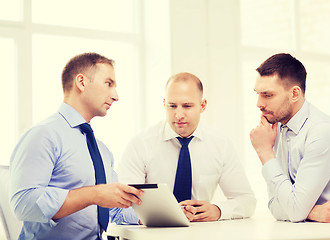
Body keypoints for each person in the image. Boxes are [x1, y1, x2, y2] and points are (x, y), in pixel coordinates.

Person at [9, 52, 144, 240]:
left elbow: (117, 211)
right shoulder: (43, 135)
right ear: (81, 82)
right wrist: (93, 194)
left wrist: (170, 214)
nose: (116, 96)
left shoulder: (102, 151)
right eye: (108, 83)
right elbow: (23, 204)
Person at [117, 72, 256, 223]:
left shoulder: (221, 145)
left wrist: (218, 210)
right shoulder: (141, 144)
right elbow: (119, 208)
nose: (178, 115)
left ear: (203, 106)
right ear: (164, 104)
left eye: (187, 106)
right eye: (172, 106)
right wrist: (162, 217)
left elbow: (246, 200)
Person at [250, 53, 330, 224]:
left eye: (267, 95)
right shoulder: (278, 129)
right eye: (257, 94)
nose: (259, 103)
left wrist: (265, 152)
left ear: (294, 94)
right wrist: (311, 212)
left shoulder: (322, 132)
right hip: (310, 231)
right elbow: (274, 205)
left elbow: (294, 211)